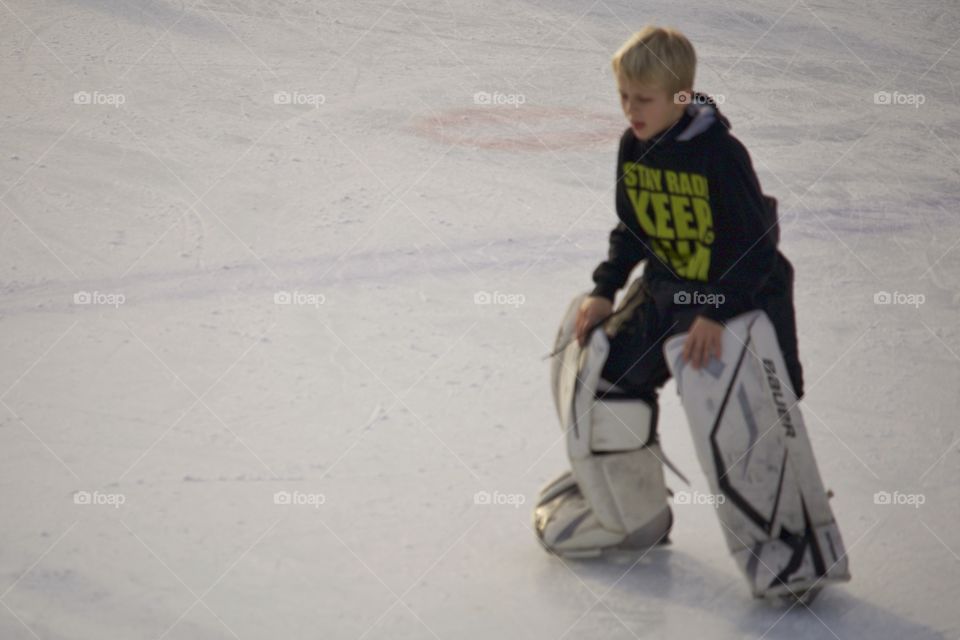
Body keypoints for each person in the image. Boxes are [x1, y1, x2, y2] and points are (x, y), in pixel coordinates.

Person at [534, 24, 804, 558]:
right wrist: (606, 288)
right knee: (606, 378)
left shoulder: (720, 155)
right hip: (666, 289)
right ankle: (636, 516)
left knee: (740, 412)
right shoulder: (634, 146)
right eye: (623, 97)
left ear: (680, 97)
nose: (630, 110)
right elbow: (633, 227)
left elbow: (756, 247)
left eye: (643, 99)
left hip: (737, 296)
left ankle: (791, 543)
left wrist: (717, 311)